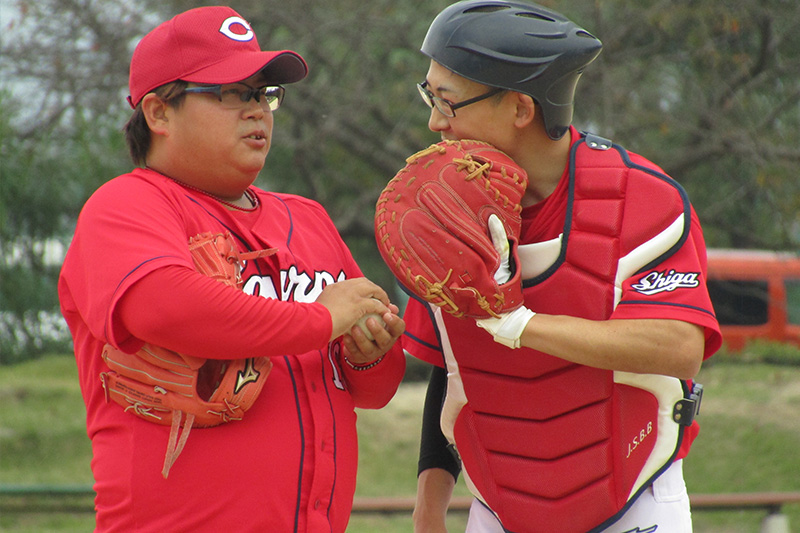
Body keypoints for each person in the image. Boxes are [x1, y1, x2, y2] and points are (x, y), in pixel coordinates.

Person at [57, 6, 405, 532]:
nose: (256, 111)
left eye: (262, 94)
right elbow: (165, 306)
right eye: (230, 93)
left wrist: (367, 356)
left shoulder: (307, 219)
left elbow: (375, 392)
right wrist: (320, 320)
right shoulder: (126, 205)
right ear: (158, 112)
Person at [400, 1, 722, 532]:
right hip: (497, 510)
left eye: (448, 101)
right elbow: (454, 369)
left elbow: (678, 348)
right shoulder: (438, 210)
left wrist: (521, 326)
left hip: (634, 503)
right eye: (429, 95)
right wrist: (428, 508)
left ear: (521, 109)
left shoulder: (640, 198)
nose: (434, 121)